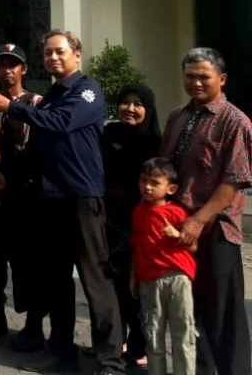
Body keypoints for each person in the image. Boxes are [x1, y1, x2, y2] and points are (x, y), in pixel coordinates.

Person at [0, 30, 125, 375]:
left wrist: (8, 105)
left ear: (77, 54)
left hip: (82, 198)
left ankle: (110, 362)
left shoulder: (87, 90)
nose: (53, 58)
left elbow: (61, 122)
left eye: (59, 52)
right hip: (50, 198)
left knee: (95, 281)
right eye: (47, 53)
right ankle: (62, 352)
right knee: (56, 280)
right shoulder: (53, 95)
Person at [160, 48, 251, 375]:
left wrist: (199, 220)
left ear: (222, 79)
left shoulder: (235, 121)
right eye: (190, 76)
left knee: (224, 315)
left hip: (216, 231)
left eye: (204, 77)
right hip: (178, 229)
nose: (195, 82)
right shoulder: (177, 116)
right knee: (190, 310)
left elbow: (235, 179)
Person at [0, 44, 46, 354]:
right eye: (2, 64)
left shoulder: (36, 103)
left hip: (25, 197)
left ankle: (33, 326)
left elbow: (39, 150)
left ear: (23, 69)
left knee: (28, 266)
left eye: (13, 64)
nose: (7, 70)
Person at [102, 84, 162, 368]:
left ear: (148, 110)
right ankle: (117, 341)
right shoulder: (109, 133)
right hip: (108, 220)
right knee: (111, 284)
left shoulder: (156, 142)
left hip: (140, 219)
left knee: (136, 286)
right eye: (126, 102)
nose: (131, 108)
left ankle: (140, 347)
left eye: (139, 104)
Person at [130, 158, 197, 375]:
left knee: (183, 334)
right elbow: (137, 245)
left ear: (171, 188)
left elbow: (193, 246)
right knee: (153, 334)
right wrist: (134, 276)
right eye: (143, 181)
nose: (147, 187)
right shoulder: (138, 212)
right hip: (149, 280)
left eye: (154, 182)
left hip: (177, 278)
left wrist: (177, 234)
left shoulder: (176, 213)